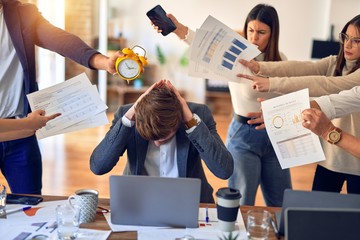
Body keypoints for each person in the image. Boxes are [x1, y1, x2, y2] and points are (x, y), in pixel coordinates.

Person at [152, 4, 291, 207]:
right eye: (250, 30)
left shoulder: (282, 60)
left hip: (276, 135)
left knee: (281, 201)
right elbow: (198, 42)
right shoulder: (236, 55)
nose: (254, 37)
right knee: (242, 202)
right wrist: (177, 29)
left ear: (273, 33)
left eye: (261, 32)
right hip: (245, 135)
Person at [0, 0, 123, 194]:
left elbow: (60, 39)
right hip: (22, 126)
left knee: (31, 203)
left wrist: (104, 62)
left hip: (22, 134)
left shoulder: (22, 13)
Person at [239, 14, 360, 194]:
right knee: (317, 212)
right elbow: (299, 68)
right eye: (346, 37)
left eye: (357, 41)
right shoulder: (335, 63)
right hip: (330, 156)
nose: (348, 45)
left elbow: (325, 86)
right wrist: (261, 68)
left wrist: (272, 83)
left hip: (356, 160)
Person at [90, 80, 234, 203]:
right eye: (152, 139)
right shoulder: (128, 115)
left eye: (164, 138)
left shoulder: (198, 114)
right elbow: (98, 166)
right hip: (139, 200)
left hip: (188, 201)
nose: (158, 144)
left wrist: (191, 122)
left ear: (178, 122)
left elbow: (224, 170)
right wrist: (129, 118)